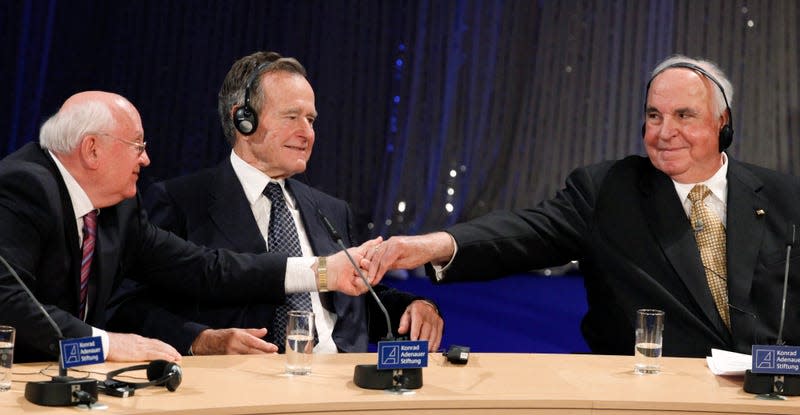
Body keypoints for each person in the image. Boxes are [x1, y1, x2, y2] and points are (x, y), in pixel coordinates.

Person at [365, 54, 800, 358]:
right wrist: (429, 245)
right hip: (648, 396)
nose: (665, 131)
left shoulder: (783, 198)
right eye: (654, 115)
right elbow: (524, 233)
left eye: (684, 116)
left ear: (722, 122)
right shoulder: (609, 190)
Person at [0, 91, 380, 363]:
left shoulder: (120, 209)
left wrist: (321, 271)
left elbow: (204, 267)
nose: (146, 159)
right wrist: (107, 344)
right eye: (137, 145)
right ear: (92, 149)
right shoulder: (23, 186)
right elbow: (8, 300)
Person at [107, 51, 443, 355]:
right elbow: (126, 306)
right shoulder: (180, 201)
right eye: (291, 117)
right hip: (242, 386)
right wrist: (200, 339)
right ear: (244, 120)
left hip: (340, 386)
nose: (306, 133)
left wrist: (412, 308)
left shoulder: (332, 210)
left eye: (310, 120)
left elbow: (355, 302)